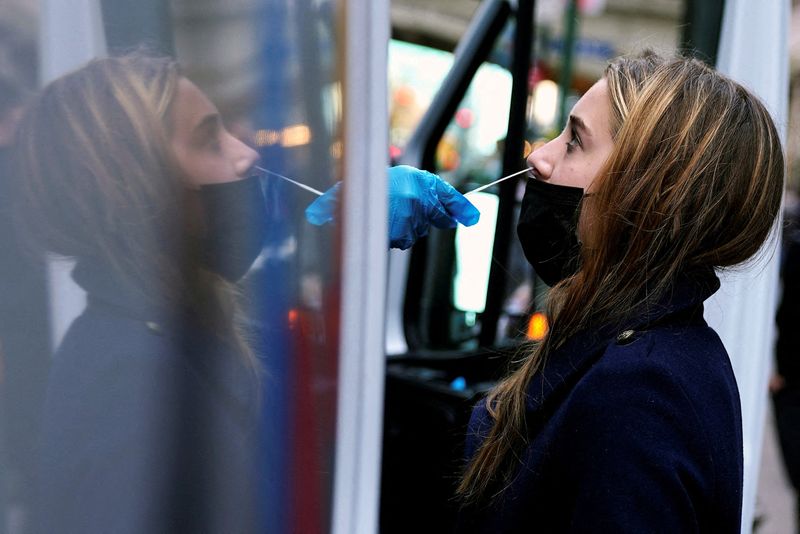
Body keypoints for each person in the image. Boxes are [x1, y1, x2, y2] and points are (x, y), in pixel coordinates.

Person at [8, 54, 477, 533]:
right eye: (209, 139)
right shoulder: (134, 391)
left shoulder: (167, 331)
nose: (246, 153)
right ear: (136, 191)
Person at [455, 52, 784, 533]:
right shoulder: (653, 349)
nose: (539, 156)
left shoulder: (642, 389)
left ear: (652, 191)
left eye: (575, 142)